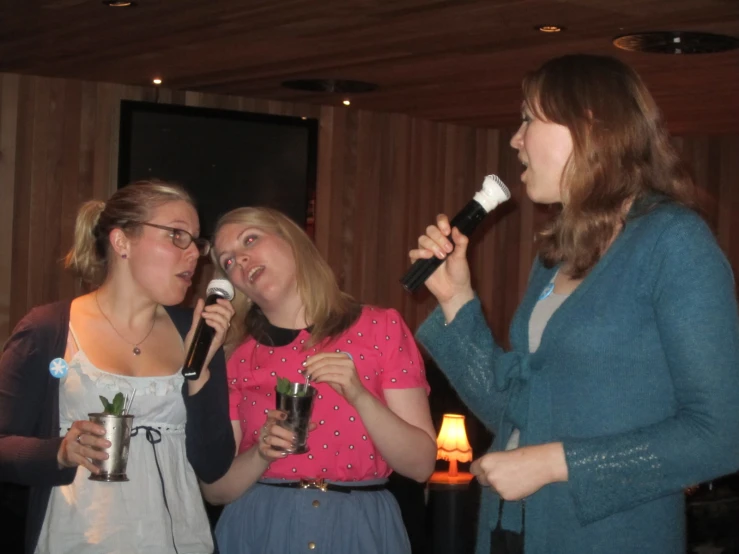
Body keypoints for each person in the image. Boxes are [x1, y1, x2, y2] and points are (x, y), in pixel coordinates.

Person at [409, 54, 739, 554]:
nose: (515, 139)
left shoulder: (674, 242)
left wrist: (552, 463)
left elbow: (720, 436)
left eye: (528, 119)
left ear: (590, 125)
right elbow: (514, 411)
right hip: (511, 526)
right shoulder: (558, 255)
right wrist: (456, 299)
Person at [0, 180, 236, 554]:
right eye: (176, 235)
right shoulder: (49, 329)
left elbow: (213, 465)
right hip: (76, 541)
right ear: (122, 241)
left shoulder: (195, 332)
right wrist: (58, 452)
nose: (194, 254)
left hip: (178, 543)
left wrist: (199, 371)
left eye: (196, 241)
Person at [201, 207, 436, 554]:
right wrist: (261, 454)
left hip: (359, 528)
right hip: (261, 528)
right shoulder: (235, 356)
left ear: (293, 242)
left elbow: (421, 465)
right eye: (229, 261)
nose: (241, 259)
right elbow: (215, 490)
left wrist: (360, 396)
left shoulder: (380, 327)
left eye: (250, 239)